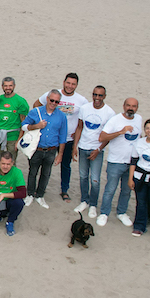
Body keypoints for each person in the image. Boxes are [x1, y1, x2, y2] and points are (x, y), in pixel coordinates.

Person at [33, 73, 89, 202]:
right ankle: (41, 188)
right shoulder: (53, 94)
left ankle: (64, 190)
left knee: (65, 165)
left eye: (73, 84)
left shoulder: (81, 100)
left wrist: (79, 130)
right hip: (50, 136)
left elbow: (86, 117)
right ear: (64, 82)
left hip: (68, 138)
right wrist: (43, 120)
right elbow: (36, 104)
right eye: (68, 83)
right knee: (44, 164)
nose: (70, 86)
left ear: (76, 85)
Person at [97, 98, 143, 227]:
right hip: (116, 161)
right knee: (110, 189)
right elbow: (102, 137)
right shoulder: (115, 120)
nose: (131, 108)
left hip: (132, 163)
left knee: (127, 189)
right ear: (123, 106)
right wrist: (120, 132)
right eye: (128, 105)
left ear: (137, 108)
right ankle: (104, 213)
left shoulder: (139, 119)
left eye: (134, 106)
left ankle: (121, 212)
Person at [72, 85, 115, 218]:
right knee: (83, 176)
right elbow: (80, 127)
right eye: (95, 95)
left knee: (95, 179)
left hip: (96, 150)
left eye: (100, 95)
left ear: (105, 96)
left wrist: (98, 149)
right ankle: (84, 200)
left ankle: (93, 205)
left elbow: (108, 136)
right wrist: (75, 146)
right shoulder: (85, 108)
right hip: (83, 146)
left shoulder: (109, 113)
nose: (97, 98)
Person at [20, 89, 68, 209]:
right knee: (33, 172)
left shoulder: (61, 116)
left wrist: (60, 154)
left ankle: (40, 195)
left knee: (46, 174)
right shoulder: (36, 112)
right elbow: (24, 126)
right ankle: (30, 194)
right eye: (51, 100)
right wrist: (37, 126)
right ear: (47, 99)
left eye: (56, 101)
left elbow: (63, 136)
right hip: (37, 149)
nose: (53, 103)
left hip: (51, 150)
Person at [0, 77, 28, 164]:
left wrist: (19, 140)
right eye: (5, 86)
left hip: (13, 136)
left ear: (14, 86)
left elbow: (24, 123)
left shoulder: (20, 101)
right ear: (2, 86)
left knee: (11, 162)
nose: (8, 88)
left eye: (10, 85)